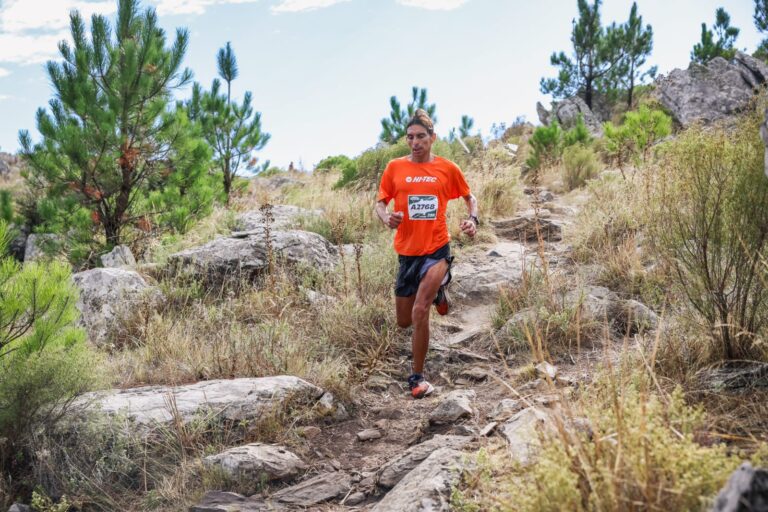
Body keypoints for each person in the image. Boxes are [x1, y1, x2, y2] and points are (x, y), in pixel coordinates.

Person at [375, 109, 479, 399]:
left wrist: (473, 220)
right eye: (410, 137)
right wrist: (386, 218)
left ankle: (417, 377)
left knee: (420, 312)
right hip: (407, 253)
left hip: (436, 250)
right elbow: (380, 203)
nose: (415, 142)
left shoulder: (447, 169)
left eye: (421, 136)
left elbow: (470, 198)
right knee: (404, 320)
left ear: (432, 138)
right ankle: (439, 293)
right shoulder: (395, 168)